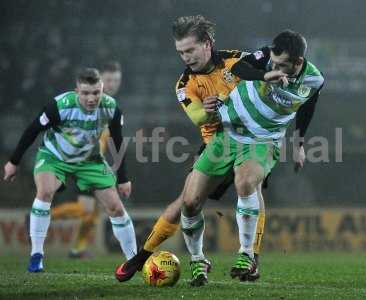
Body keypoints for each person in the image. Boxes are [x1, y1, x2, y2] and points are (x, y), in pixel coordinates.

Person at [115, 15, 266, 283]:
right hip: (216, 143)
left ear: (207, 44)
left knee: (249, 184)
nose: (185, 57)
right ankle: (179, 259)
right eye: (180, 52)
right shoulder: (185, 83)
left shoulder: (237, 60)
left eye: (189, 50)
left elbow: (269, 68)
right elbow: (197, 118)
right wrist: (208, 111)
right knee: (187, 202)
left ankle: (251, 257)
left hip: (252, 138)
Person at [179, 29, 324, 286]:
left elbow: (307, 108)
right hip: (228, 131)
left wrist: (299, 144)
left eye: (282, 65)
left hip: (263, 139)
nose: (276, 66)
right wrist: (265, 74)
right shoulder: (266, 57)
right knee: (190, 202)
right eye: (274, 62)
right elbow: (239, 69)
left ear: (298, 63)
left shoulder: (314, 80)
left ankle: (246, 255)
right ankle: (198, 259)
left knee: (245, 182)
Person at [3, 68, 137, 272]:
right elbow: (33, 130)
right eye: (85, 93)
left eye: (95, 93)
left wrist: (123, 178)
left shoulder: (111, 108)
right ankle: (36, 256)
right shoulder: (60, 106)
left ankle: (133, 260)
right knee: (45, 192)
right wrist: (14, 162)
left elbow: (118, 142)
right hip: (54, 157)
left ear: (102, 90)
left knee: (116, 208)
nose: (91, 98)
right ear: (77, 91)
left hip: (90, 161)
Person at [50, 61, 123, 258]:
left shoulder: (108, 107)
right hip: (81, 162)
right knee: (87, 210)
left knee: (91, 212)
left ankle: (77, 249)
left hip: (93, 162)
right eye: (108, 79)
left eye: (116, 80)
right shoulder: (89, 106)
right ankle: (43, 216)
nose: (113, 84)